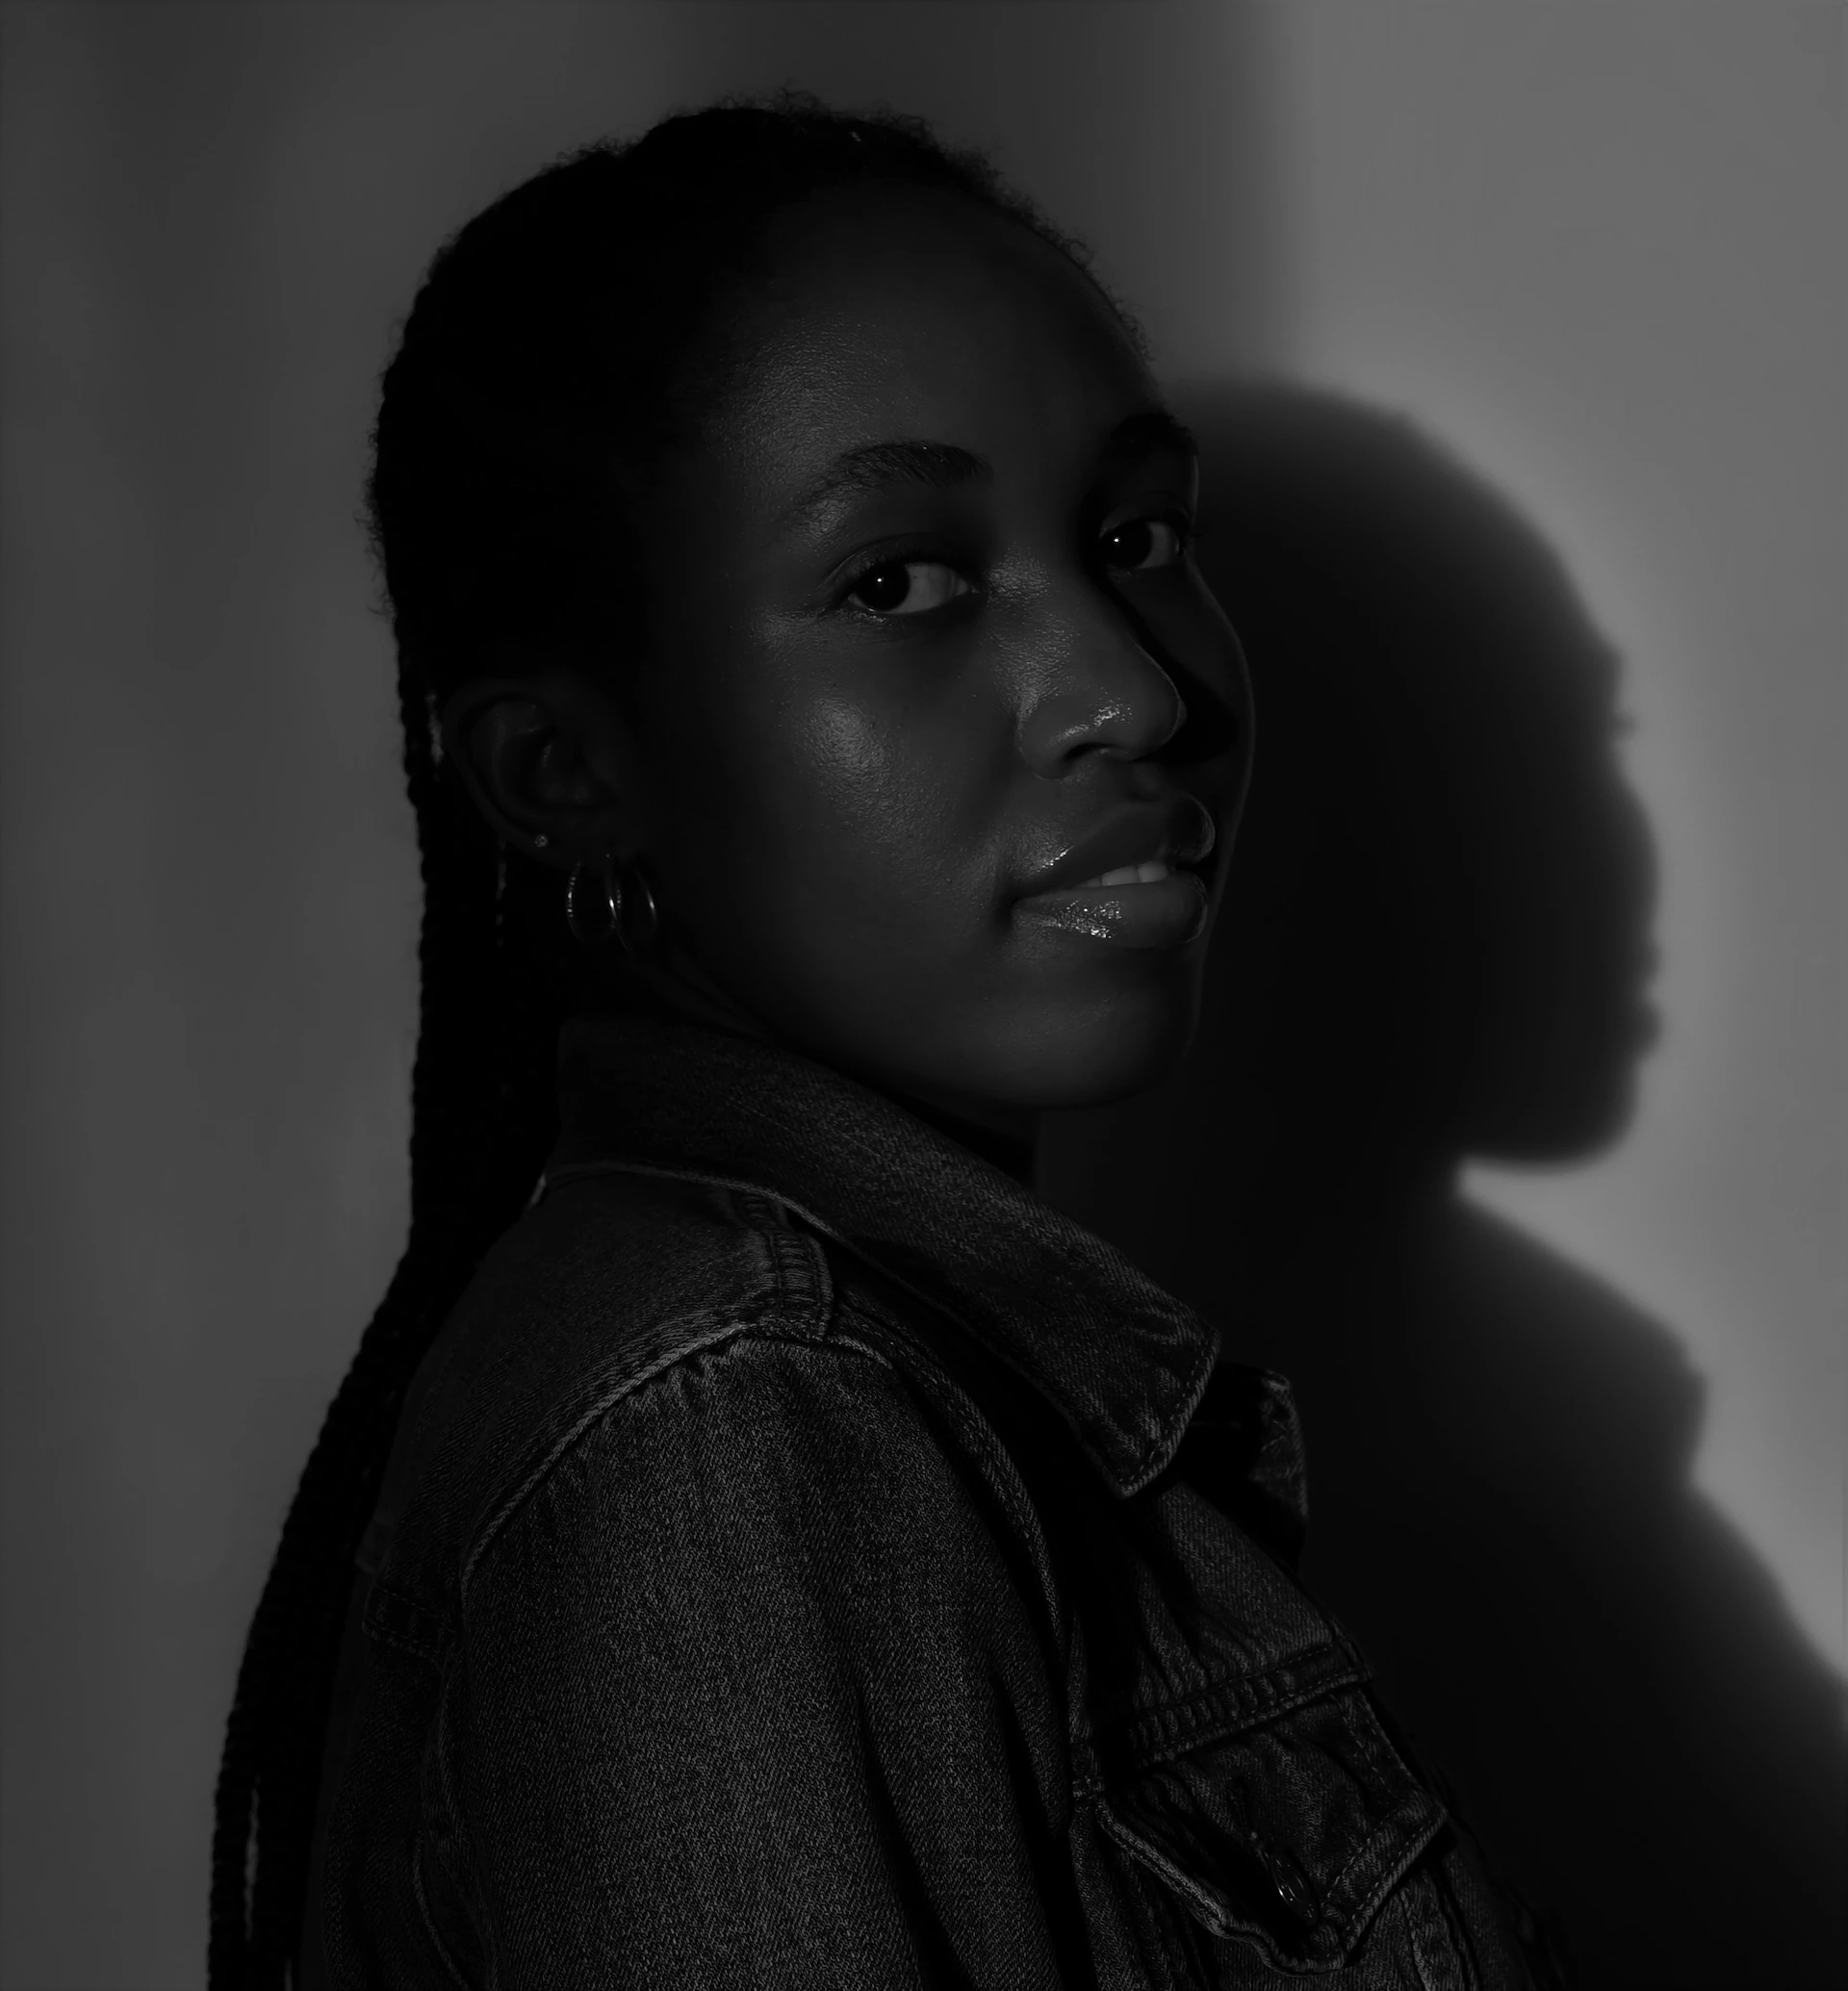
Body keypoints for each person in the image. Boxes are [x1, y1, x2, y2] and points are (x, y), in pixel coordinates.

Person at [212, 98, 1555, 1989]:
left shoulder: (850, 1373)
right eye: (897, 578)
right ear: (564, 772)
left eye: (1137, 532)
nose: (1138, 687)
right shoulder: (742, 1407)